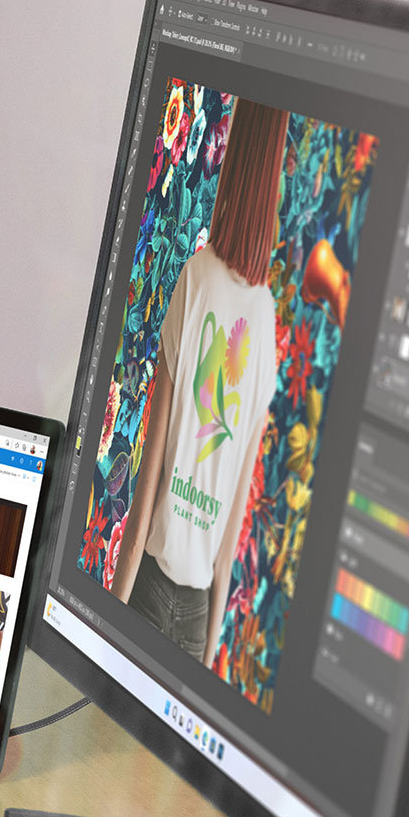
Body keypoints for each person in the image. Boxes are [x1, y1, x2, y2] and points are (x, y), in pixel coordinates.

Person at [113, 96, 287, 670]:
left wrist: (106, 627)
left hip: (147, 591)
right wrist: (209, 650)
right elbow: (233, 522)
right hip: (194, 616)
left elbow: (148, 491)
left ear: (234, 160)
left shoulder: (195, 277)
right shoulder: (266, 321)